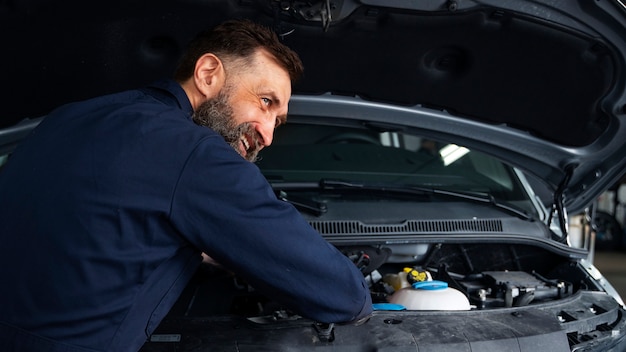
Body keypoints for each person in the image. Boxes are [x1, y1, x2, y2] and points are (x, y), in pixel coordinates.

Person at [0, 19, 372, 352]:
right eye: (264, 101)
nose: (268, 133)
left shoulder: (67, 118)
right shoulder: (196, 154)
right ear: (209, 73)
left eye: (279, 120)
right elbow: (343, 297)